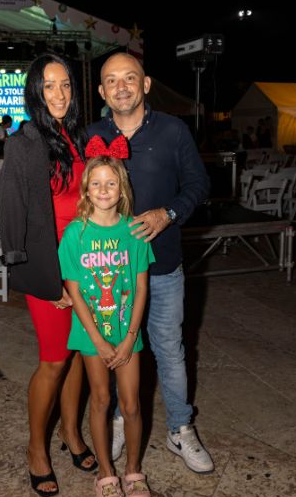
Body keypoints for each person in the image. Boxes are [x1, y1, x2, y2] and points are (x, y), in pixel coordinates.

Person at [87, 52, 214, 474]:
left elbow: (198, 184)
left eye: (130, 78)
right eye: (111, 80)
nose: (121, 86)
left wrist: (168, 213)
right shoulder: (91, 136)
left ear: (145, 84)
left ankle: (180, 428)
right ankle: (121, 419)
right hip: (109, 273)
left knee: (170, 350)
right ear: (102, 91)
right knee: (118, 353)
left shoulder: (174, 130)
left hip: (162, 266)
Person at [0, 53, 97, 497]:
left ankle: (71, 433)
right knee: (54, 360)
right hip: (49, 267)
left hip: (83, 265)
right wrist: (46, 279)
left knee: (75, 355)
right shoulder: (23, 143)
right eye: (49, 86)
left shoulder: (79, 138)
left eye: (65, 85)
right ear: (35, 92)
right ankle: (36, 448)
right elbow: (11, 213)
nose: (59, 94)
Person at [58, 137, 154, 497]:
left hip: (128, 334)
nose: (103, 190)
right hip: (91, 336)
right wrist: (98, 340)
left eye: (110, 183)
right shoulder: (76, 234)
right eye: (96, 183)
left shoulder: (134, 231)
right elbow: (75, 291)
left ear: (122, 188)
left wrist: (130, 338)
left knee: (131, 404)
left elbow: (141, 288)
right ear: (86, 189)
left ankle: (133, 470)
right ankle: (105, 473)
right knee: (100, 399)